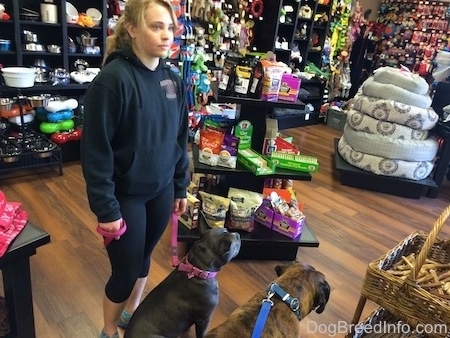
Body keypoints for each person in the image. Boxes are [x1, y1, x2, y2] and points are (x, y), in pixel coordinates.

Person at [80, 0, 189, 337]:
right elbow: (96, 152)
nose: (166, 35)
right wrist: (105, 208)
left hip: (160, 191)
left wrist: (180, 185)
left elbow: (179, 136)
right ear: (131, 29)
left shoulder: (173, 79)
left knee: (144, 261)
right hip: (124, 196)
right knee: (125, 271)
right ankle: (109, 330)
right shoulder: (112, 81)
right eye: (156, 26)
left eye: (169, 27)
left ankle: (131, 314)